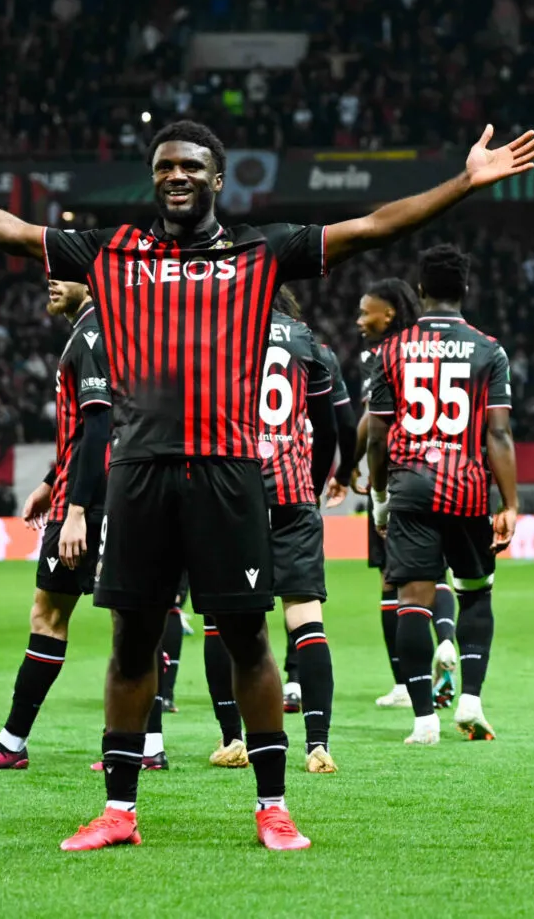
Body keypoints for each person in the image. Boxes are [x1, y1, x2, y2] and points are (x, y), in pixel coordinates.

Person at [0, 118, 534, 852]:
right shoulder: (113, 252)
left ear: (217, 178)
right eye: (163, 166)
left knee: (248, 639)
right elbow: (16, 234)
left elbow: (372, 227)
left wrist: (464, 183)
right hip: (139, 474)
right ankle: (118, 811)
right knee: (131, 642)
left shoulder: (260, 251)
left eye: (188, 165)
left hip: (228, 475)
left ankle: (273, 806)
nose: (174, 175)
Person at [0, 280, 125, 770]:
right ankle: (143, 746)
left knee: (51, 616)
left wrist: (77, 509)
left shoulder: (91, 336)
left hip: (88, 501)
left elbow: (100, 427)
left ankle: (11, 742)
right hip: (111, 492)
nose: (51, 280)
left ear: (91, 278)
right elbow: (92, 430)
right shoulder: (110, 330)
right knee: (130, 618)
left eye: (63, 271)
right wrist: (49, 480)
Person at [367, 245, 519, 745]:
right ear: (465, 290)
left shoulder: (392, 350)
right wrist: (510, 503)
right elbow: (498, 433)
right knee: (475, 593)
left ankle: (423, 722)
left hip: (410, 487)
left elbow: (376, 436)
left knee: (412, 600)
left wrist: (380, 496)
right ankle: (470, 701)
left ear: (420, 291)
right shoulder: (489, 350)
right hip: (467, 489)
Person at [202, 285, 341, 774]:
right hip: (292, 494)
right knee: (306, 620)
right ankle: (318, 744)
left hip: (232, 494)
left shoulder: (219, 334)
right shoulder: (306, 341)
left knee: (219, 620)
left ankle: (231, 739)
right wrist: (311, 487)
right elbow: (328, 429)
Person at [352, 280, 460, 710]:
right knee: (439, 573)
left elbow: (371, 423)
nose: (360, 321)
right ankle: (447, 639)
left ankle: (403, 683)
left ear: (390, 313)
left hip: (401, 476)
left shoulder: (384, 355)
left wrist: (348, 467)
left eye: (366, 312)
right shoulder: (441, 347)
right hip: (448, 474)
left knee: (392, 579)